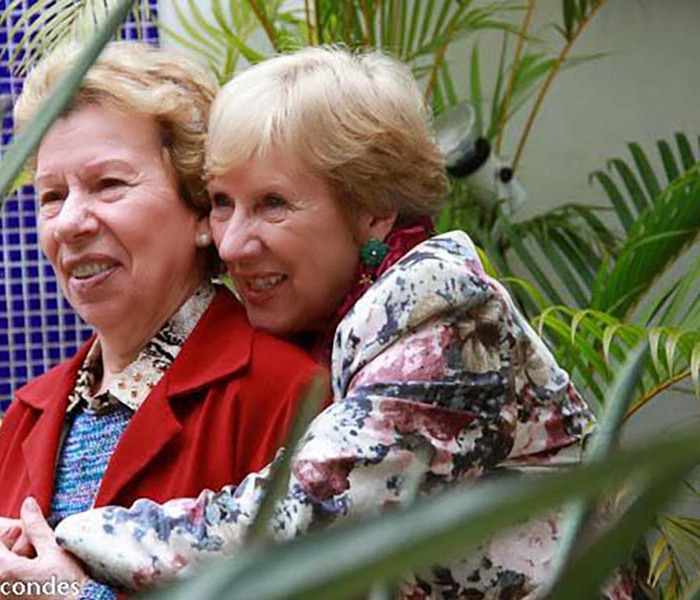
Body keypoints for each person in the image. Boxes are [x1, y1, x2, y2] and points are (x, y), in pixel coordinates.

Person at [48, 47, 612, 598]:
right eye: (221, 201)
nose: (233, 244)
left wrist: (61, 537)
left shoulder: (443, 309)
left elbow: (303, 514)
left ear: (373, 209)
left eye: (273, 203)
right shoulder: (316, 319)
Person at [0, 41, 321, 600]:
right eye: (52, 196)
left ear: (202, 211)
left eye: (108, 185)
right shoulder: (29, 413)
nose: (70, 223)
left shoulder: (283, 393)